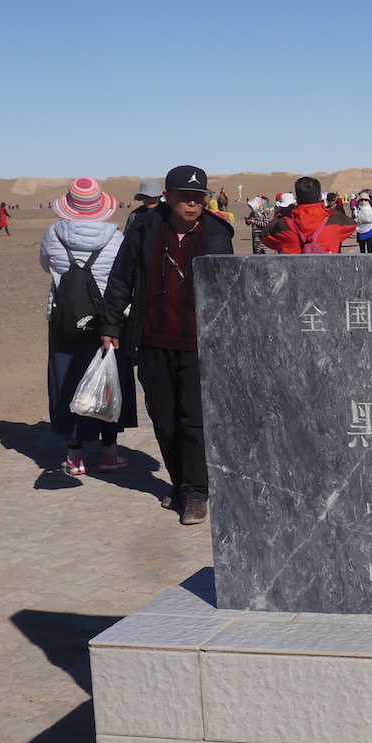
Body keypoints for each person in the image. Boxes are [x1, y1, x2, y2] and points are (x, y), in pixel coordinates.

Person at [98, 165, 234, 526]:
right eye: (185, 197)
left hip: (198, 343)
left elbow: (231, 291)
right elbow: (122, 276)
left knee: (194, 420)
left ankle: (196, 493)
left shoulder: (217, 234)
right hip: (153, 338)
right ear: (168, 197)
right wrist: (111, 323)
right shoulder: (145, 228)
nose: (192, 204)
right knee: (163, 418)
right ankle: (179, 483)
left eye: (198, 198)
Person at [39, 179, 138, 476]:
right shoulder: (115, 237)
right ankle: (109, 453)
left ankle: (75, 457)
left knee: (66, 383)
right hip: (107, 321)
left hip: (65, 321)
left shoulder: (53, 234)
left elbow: (46, 265)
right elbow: (125, 276)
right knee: (108, 382)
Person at [263, 177, 357, 254]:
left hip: (294, 274)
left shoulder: (283, 224)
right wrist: (328, 210)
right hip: (327, 274)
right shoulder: (334, 221)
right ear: (320, 198)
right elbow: (351, 224)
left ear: (297, 199)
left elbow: (264, 235)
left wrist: (283, 214)